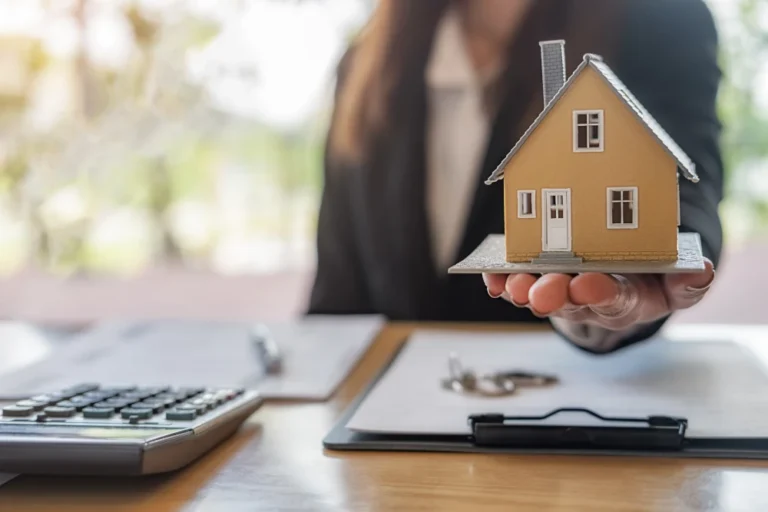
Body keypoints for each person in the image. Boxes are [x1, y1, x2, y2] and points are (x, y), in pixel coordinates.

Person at [306, 0, 723, 354]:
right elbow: (338, 294)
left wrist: (649, 264)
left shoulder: (665, 19)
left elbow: (684, 184)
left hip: (568, 411)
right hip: (390, 423)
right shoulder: (367, 63)